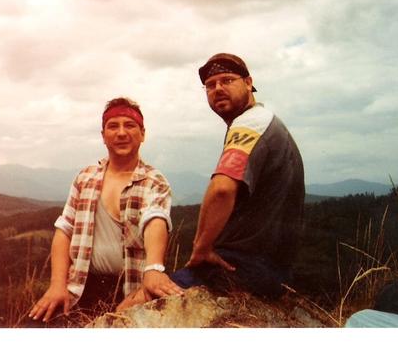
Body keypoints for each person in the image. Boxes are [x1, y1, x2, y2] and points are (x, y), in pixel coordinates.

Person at [26, 97, 184, 326]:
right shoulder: (85, 177)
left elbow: (155, 220)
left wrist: (154, 268)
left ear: (142, 134)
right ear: (103, 136)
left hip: (131, 289)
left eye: (129, 125)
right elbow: (65, 230)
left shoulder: (153, 181)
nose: (121, 133)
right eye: (113, 126)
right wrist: (57, 285)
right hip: (80, 285)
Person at [171, 53, 305, 299]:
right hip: (270, 267)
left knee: (142, 297)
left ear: (248, 83)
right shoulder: (263, 122)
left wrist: (201, 247)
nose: (218, 89)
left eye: (227, 80)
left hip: (242, 267)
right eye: (210, 85)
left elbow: (222, 190)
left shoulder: (250, 123)